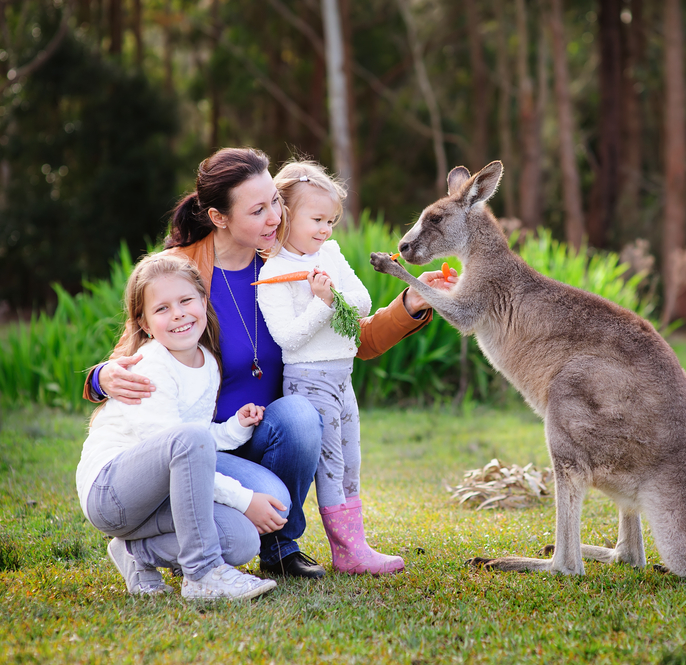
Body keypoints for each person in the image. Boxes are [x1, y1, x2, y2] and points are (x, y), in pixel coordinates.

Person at [84, 147, 454, 578]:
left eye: (275, 202)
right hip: (204, 444)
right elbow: (131, 355)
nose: (275, 218)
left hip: (263, 431)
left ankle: (280, 548)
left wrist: (410, 300)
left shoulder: (287, 263)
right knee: (246, 524)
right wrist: (99, 378)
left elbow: (355, 340)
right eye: (258, 210)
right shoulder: (182, 272)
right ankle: (164, 541)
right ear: (220, 218)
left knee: (300, 415)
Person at [77, 253, 279, 600]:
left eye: (186, 300)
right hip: (112, 492)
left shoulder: (206, 362)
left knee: (241, 538)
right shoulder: (150, 366)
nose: (179, 314)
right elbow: (181, 443)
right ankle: (202, 574)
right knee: (195, 447)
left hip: (161, 500)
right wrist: (244, 498)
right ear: (143, 322)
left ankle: (135, 553)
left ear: (203, 300)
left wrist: (235, 428)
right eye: (162, 309)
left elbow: (195, 447)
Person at [256, 160, 400, 574]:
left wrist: (330, 295)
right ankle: (349, 551)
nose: (326, 230)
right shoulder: (275, 274)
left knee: (351, 458)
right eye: (317, 219)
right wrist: (322, 303)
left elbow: (363, 301)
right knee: (331, 463)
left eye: (332, 221)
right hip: (308, 380)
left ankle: (352, 548)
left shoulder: (330, 254)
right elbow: (289, 338)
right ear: (284, 216)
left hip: (343, 375)